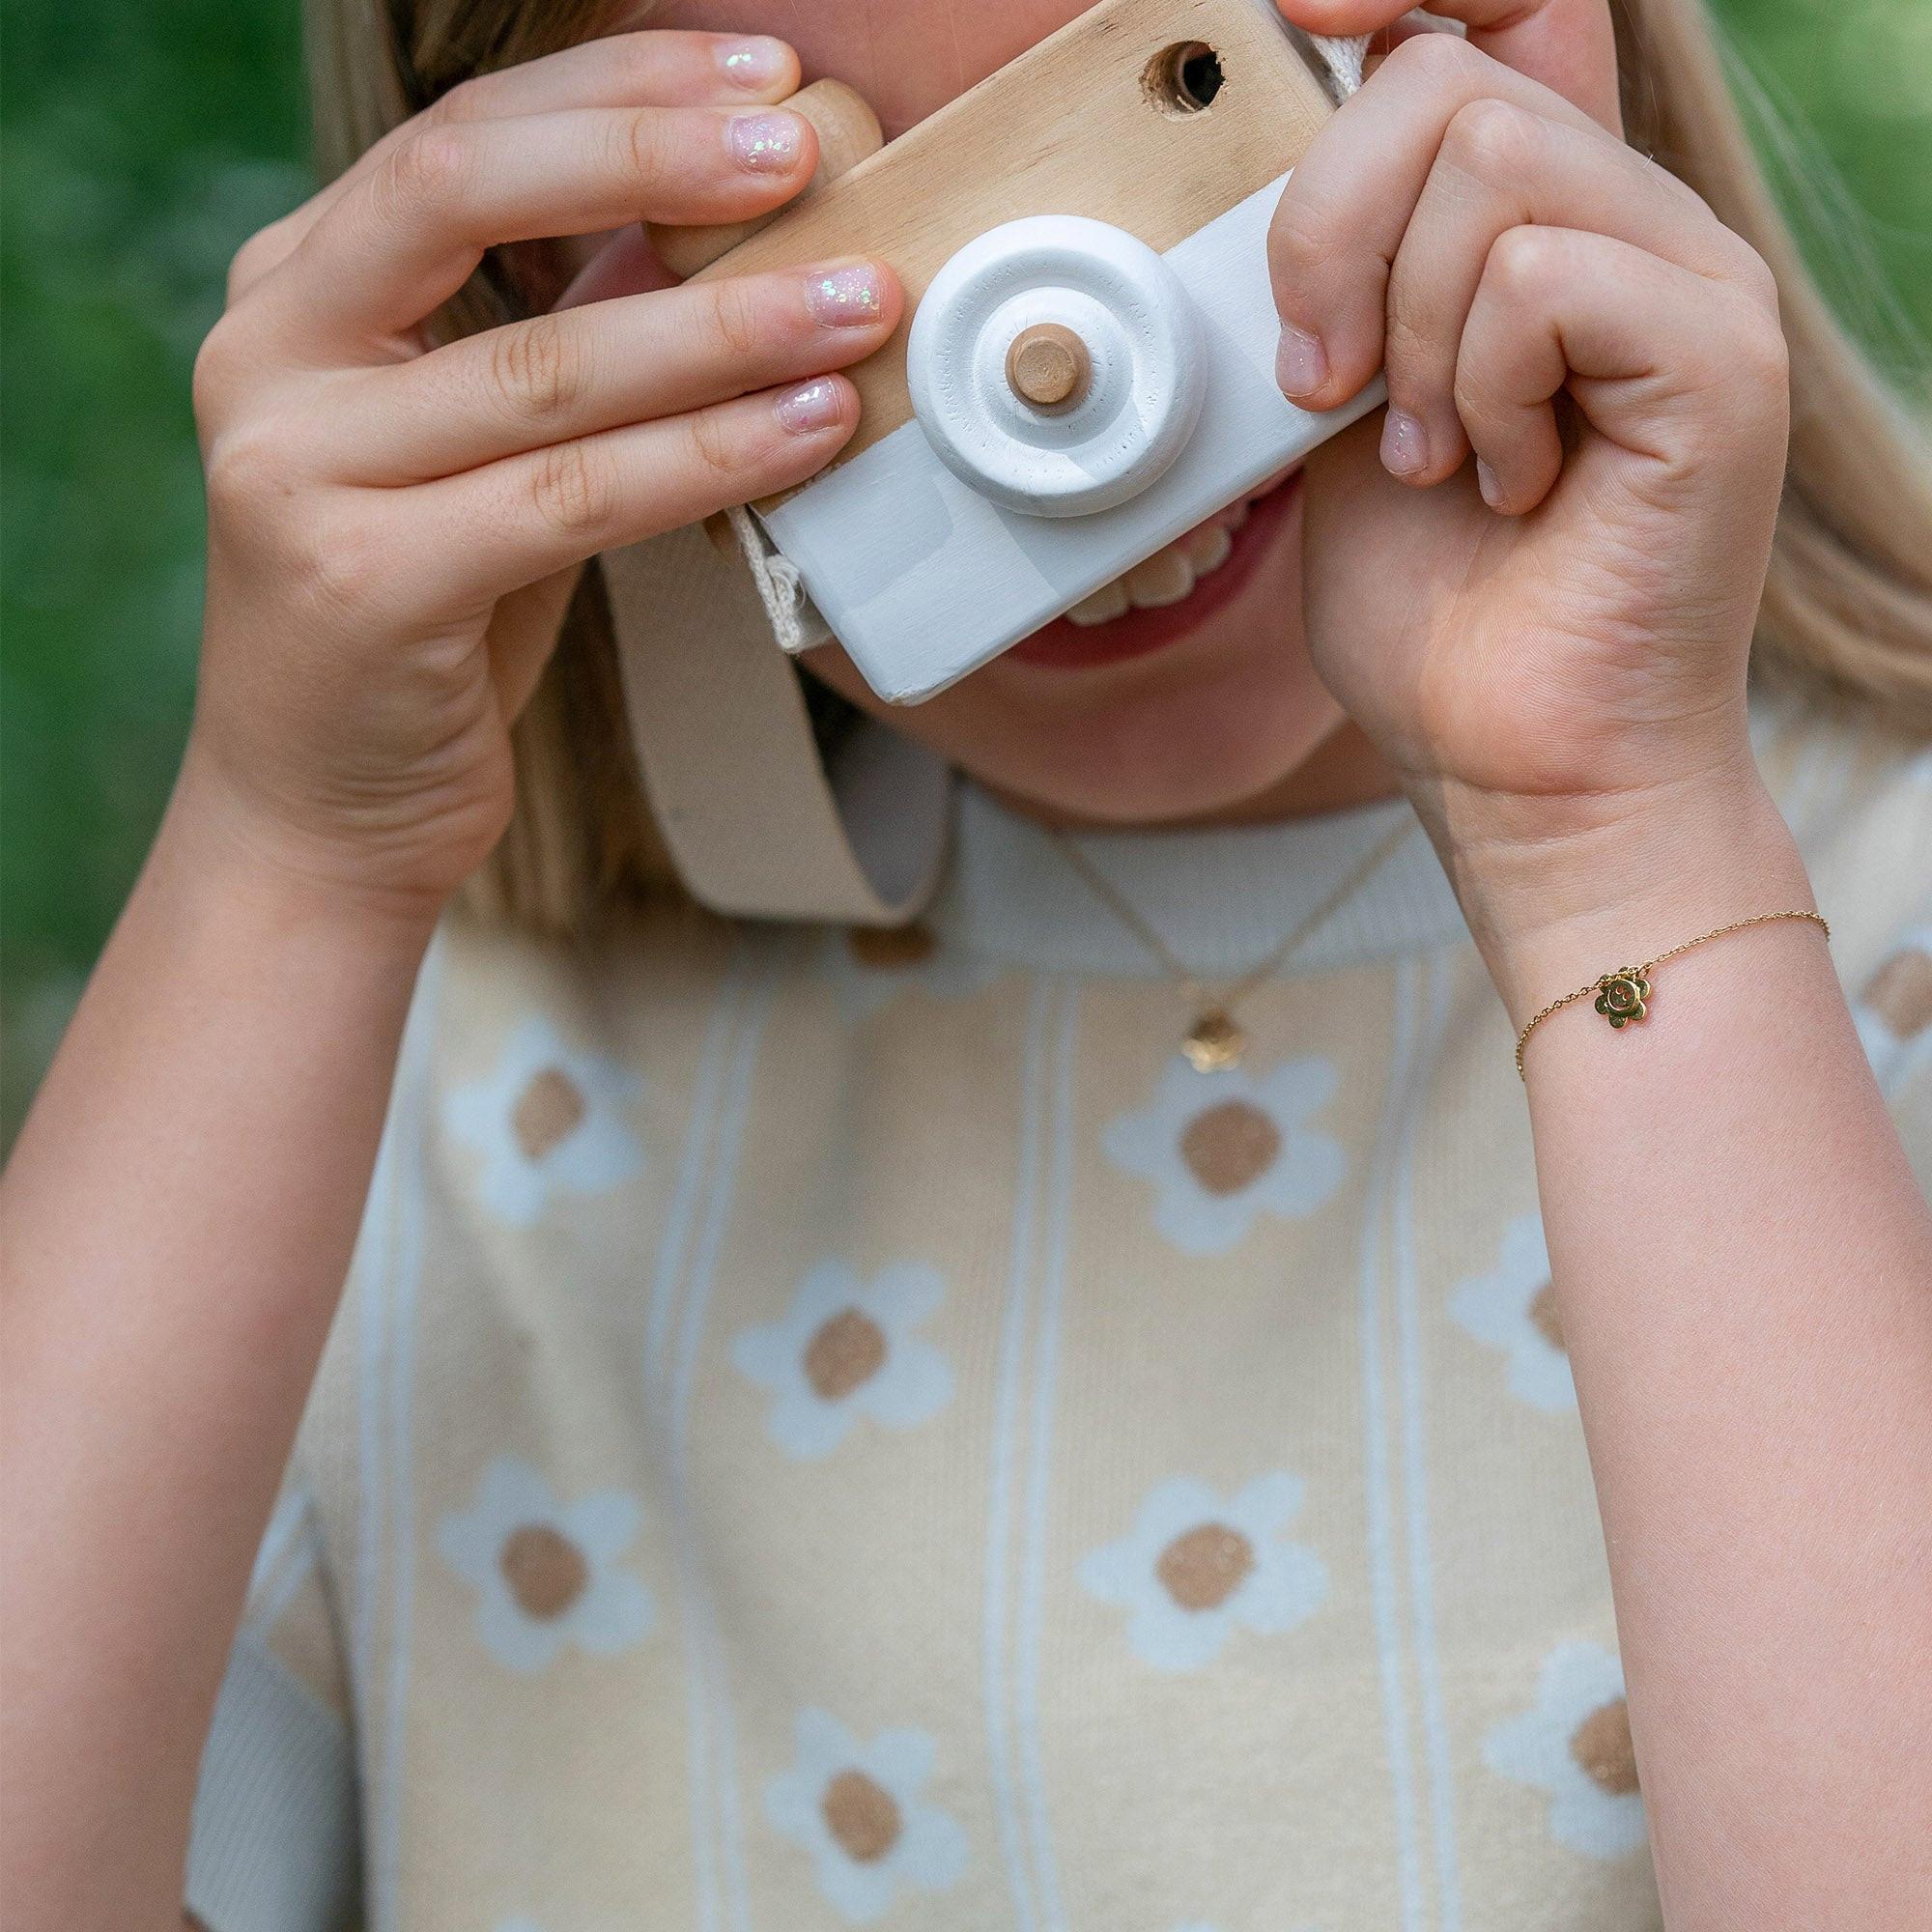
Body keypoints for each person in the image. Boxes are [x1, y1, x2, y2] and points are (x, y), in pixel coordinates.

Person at [4, 0, 1929, 1925]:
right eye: (810, 244)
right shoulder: (361, 1123)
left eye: (1144, 116)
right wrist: (286, 866)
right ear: (516, 287)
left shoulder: (1874, 958)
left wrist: (1609, 847)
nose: (1048, 366)